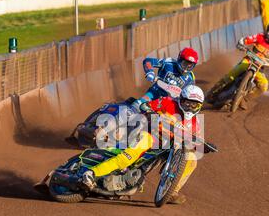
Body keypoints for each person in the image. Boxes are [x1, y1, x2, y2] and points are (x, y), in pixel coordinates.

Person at [81, 85, 211, 205]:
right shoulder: (168, 102)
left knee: (192, 159)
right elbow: (146, 106)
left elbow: (195, 140)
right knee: (128, 157)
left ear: (199, 106)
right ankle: (91, 173)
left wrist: (201, 145)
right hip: (150, 136)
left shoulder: (195, 123)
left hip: (169, 149)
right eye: (187, 103)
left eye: (193, 105)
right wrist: (151, 111)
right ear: (181, 99)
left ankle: (172, 191)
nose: (189, 107)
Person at [207, 20, 269, 109]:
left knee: (264, 85)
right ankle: (212, 93)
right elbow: (249, 39)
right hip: (248, 61)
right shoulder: (260, 37)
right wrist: (242, 42)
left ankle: (244, 99)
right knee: (230, 76)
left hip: (259, 68)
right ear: (267, 30)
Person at [131, 47, 199, 111]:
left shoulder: (190, 78)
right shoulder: (168, 63)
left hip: (172, 103)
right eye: (184, 64)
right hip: (154, 94)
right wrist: (150, 73)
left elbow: (190, 95)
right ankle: (125, 116)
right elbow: (148, 61)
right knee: (137, 105)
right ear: (179, 59)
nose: (185, 69)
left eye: (190, 67)